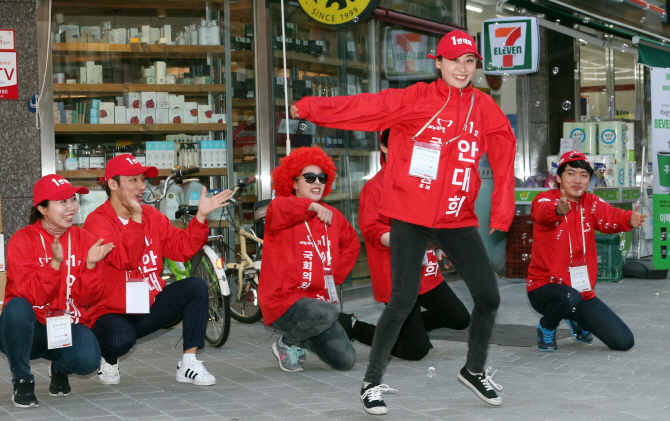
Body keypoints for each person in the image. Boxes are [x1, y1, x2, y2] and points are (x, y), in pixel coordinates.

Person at [291, 29, 516, 413]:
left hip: (455, 218)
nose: (462, 69)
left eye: (469, 62)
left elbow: (505, 147)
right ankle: (371, 383)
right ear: (439, 63)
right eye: (454, 61)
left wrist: (501, 209)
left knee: (489, 296)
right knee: (401, 301)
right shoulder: (418, 98)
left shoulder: (483, 106)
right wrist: (314, 109)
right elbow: (368, 108)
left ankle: (474, 369)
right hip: (410, 215)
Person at [83, 154, 233, 386]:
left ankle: (189, 363)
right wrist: (136, 218)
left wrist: (201, 216)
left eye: (142, 179)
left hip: (147, 303)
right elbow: (125, 259)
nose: (141, 186)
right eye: (132, 180)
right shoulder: (97, 221)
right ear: (112, 184)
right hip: (110, 310)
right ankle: (108, 358)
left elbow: (181, 249)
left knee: (195, 286)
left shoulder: (151, 215)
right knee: (121, 338)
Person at [339, 129, 470, 361]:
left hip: (425, 273)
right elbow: (372, 232)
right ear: (384, 148)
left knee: (460, 319)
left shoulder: (422, 182)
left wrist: (440, 244)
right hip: (396, 278)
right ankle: (354, 327)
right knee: (415, 351)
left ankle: (411, 329)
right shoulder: (375, 188)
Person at [3, 175, 114, 408]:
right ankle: (22, 379)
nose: (71, 206)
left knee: (88, 361)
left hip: (66, 326)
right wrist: (54, 265)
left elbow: (88, 299)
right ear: (42, 208)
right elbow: (33, 295)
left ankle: (59, 369)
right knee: (16, 307)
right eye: (62, 201)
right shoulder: (22, 240)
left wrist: (92, 265)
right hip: (29, 330)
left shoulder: (86, 240)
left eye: (73, 199)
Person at [527, 151, 645, 352]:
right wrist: (558, 211)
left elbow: (609, 215)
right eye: (571, 174)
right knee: (569, 298)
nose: (577, 180)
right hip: (545, 287)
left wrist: (628, 219)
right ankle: (547, 326)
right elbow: (542, 214)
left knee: (624, 342)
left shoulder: (591, 202)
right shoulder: (545, 199)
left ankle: (574, 317)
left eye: (583, 175)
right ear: (558, 177)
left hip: (581, 291)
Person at [259, 147, 360, 373]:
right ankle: (286, 344)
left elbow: (351, 245)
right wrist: (311, 206)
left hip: (317, 303)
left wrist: (333, 278)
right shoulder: (279, 208)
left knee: (345, 361)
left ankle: (300, 338)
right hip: (283, 301)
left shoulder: (333, 215)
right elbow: (283, 207)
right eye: (309, 177)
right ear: (294, 183)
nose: (317, 182)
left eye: (322, 178)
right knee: (326, 313)